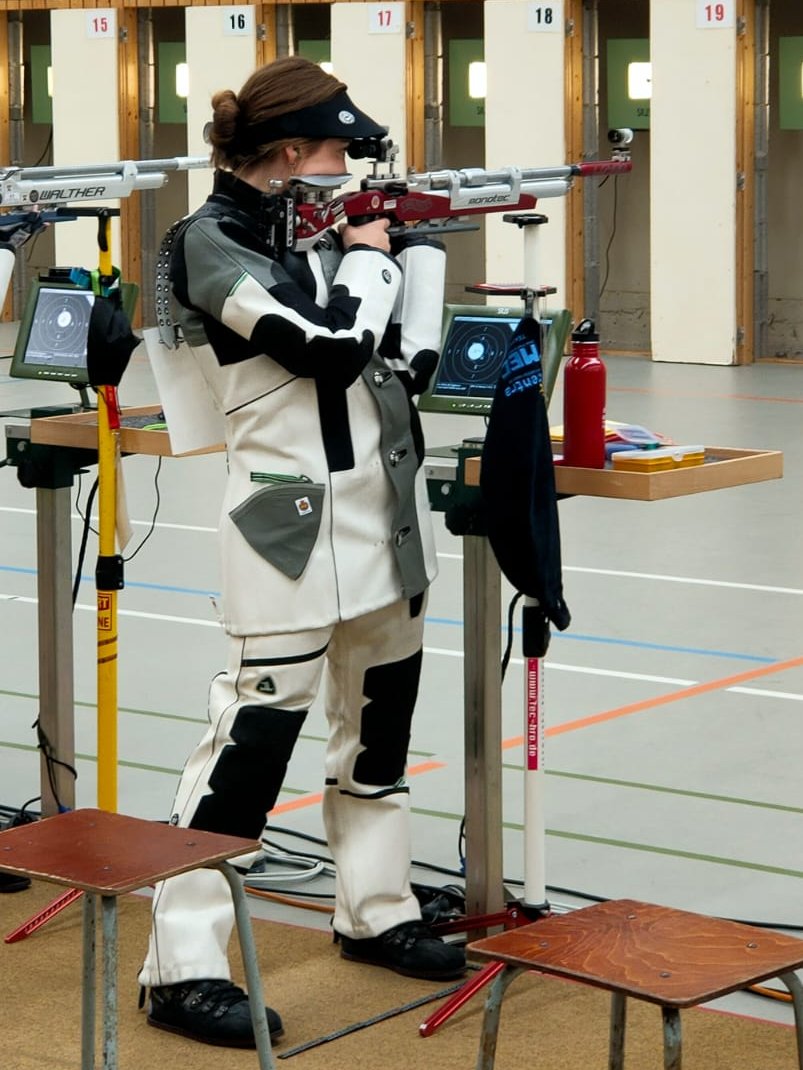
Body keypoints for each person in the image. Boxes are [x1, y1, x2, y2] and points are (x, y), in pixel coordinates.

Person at [138, 55, 465, 1049]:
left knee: (373, 739)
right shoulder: (210, 242)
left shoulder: (317, 232)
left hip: (385, 523)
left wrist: (413, 259)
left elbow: (400, 364)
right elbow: (321, 348)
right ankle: (181, 966)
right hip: (285, 534)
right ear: (288, 152)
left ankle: (374, 907)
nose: (347, 165)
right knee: (243, 756)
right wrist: (369, 255)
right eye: (336, 147)